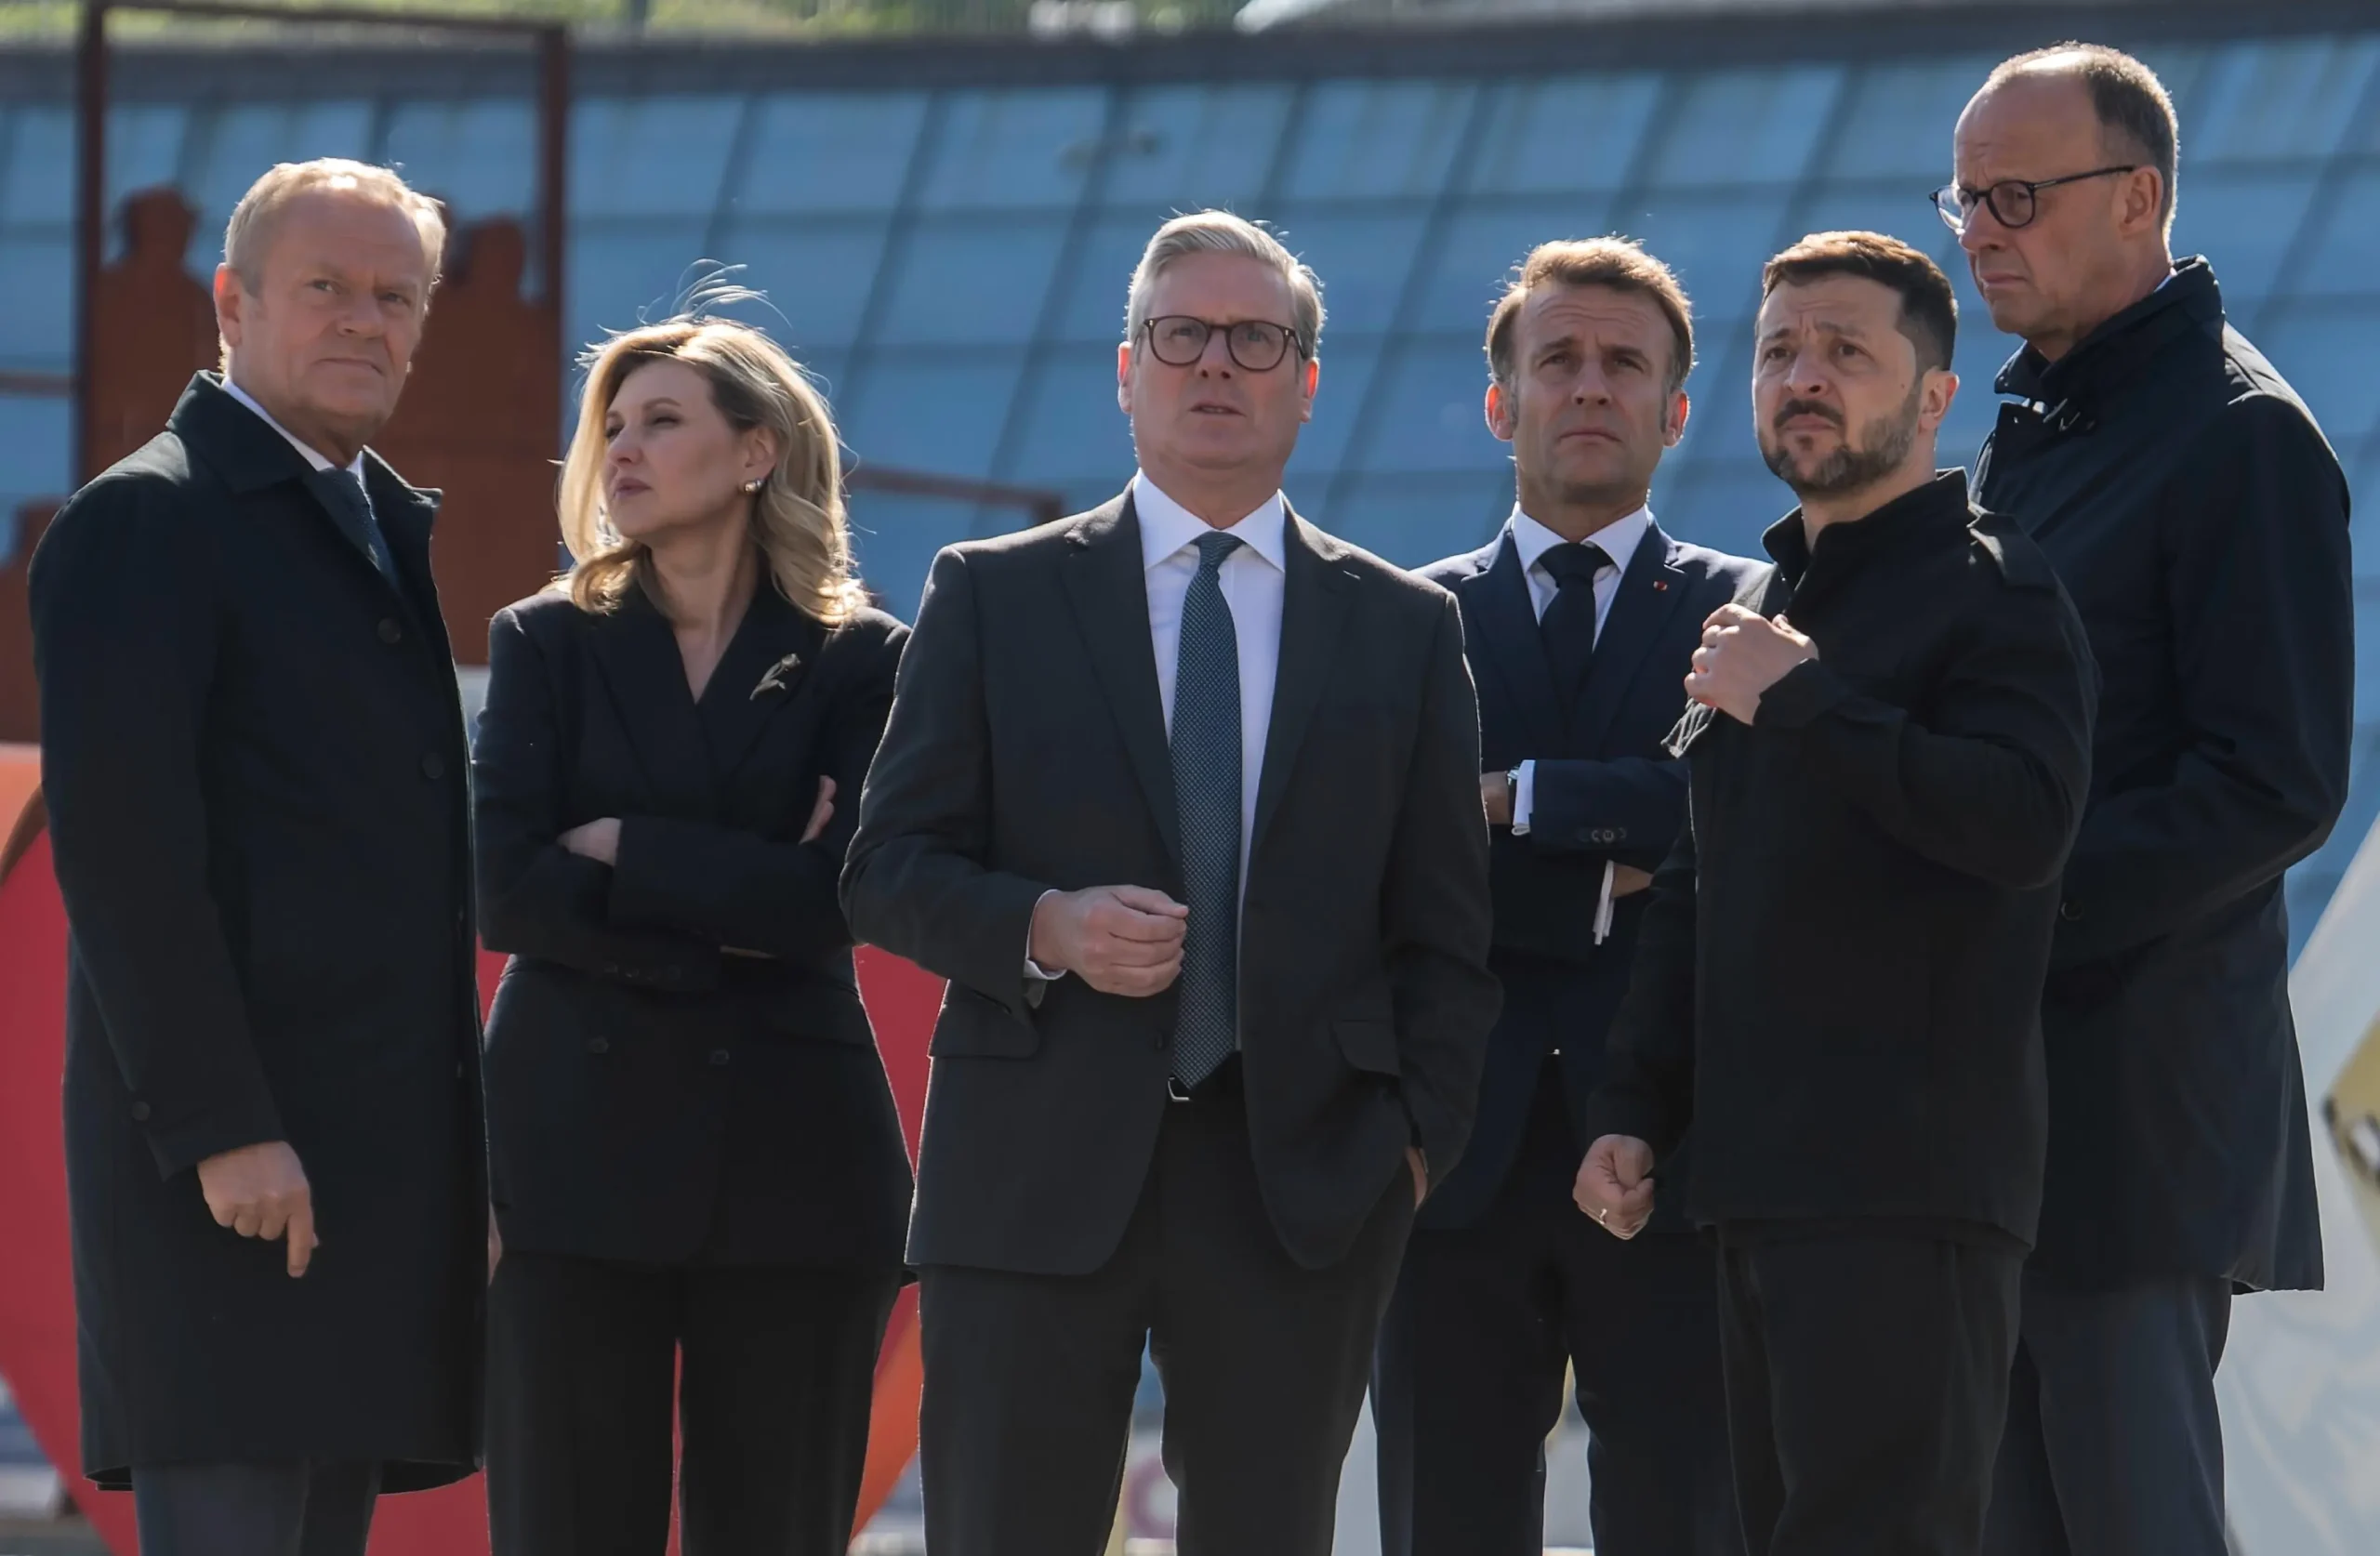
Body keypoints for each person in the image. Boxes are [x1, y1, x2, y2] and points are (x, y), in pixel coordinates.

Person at [840, 209, 1501, 1556]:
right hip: (1029, 1171)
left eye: (1255, 340)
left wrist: (1409, 1146)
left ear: (1306, 382)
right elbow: (887, 871)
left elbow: (1446, 928)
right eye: (1180, 333)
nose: (1214, 363)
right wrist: (1045, 925)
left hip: (1300, 1182)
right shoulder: (992, 595)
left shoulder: (1404, 627)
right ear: (1125, 370)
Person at [1574, 231, 2096, 1556]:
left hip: (1908, 1191)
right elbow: (1699, 879)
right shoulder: (1769, 609)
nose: (1803, 377)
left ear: (1935, 396)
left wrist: (1807, 701)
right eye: (1779, 352)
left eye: (1846, 352)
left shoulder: (1998, 593)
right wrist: (1636, 1103)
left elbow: (2024, 825)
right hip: (1752, 1188)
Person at [28, 159, 483, 1556]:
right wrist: (222, 1125)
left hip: (361, 1180)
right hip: (232, 1179)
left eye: (395, 297)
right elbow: (125, 858)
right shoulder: (149, 518)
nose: (364, 321)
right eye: (325, 287)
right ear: (232, 303)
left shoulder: (367, 519)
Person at [1948, 46, 2353, 1556]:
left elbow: (2275, 782)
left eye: (2017, 196)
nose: (1979, 232)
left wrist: (2007, 903)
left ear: (2138, 198)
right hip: (1999, 1105)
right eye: (1964, 199)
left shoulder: (2241, 433)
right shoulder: (2038, 425)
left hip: (2136, 1111)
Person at [471, 315, 913, 1556]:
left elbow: (839, 899)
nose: (622, 448)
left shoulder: (864, 659)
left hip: (796, 1163)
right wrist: (745, 893)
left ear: (757, 452)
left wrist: (624, 846)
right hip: (569, 1159)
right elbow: (505, 890)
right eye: (612, 425)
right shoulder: (544, 640)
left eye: (662, 421)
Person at [1378, 237, 1754, 1556]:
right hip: (1447, 1160)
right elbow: (1382, 856)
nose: (1590, 385)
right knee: (1445, 1521)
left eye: (1625, 363)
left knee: (1685, 1518)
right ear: (1502, 403)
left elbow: (1740, 823)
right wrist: (1624, 859)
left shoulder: (1750, 613)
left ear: (1676, 411)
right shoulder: (1403, 622)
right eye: (1559, 360)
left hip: (1676, 1146)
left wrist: (1511, 799)